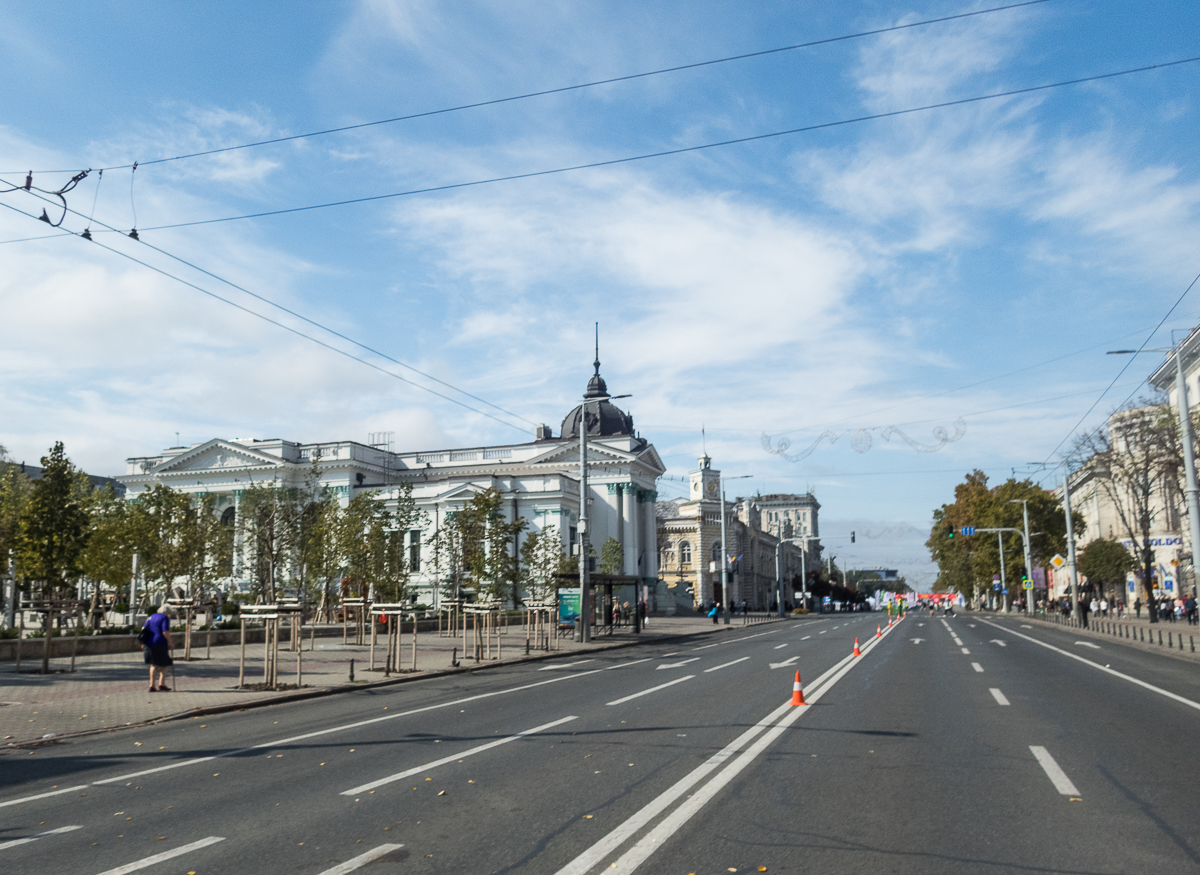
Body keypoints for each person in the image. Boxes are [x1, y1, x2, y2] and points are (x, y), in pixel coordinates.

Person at [141, 605, 174, 692]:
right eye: (170, 613)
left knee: (153, 664)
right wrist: (170, 642)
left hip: (149, 643)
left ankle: (152, 685)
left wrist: (144, 641)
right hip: (160, 643)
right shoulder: (164, 618)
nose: (170, 615)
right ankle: (162, 684)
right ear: (167, 612)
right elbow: (165, 632)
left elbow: (143, 628)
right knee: (164, 664)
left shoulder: (151, 617)